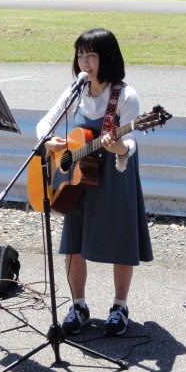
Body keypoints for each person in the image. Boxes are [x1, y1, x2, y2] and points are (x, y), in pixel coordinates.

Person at [36, 28, 153, 336]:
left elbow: (131, 143)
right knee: (73, 244)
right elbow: (44, 123)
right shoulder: (76, 91)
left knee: (121, 242)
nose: (84, 63)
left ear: (108, 58)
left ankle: (119, 307)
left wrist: (119, 147)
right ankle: (78, 307)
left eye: (91, 56)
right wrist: (48, 141)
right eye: (80, 55)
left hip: (115, 175)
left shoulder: (125, 95)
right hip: (77, 179)